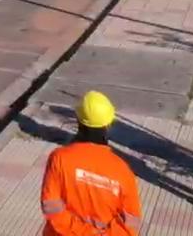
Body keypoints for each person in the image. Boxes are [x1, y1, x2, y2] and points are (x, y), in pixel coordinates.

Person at [40, 91, 142, 235]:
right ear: (108, 124)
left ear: (78, 120)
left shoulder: (59, 158)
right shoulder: (123, 171)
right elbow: (131, 223)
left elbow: (51, 207)